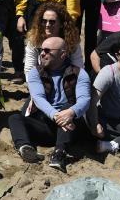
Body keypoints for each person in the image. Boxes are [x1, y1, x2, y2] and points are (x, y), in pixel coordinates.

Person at [9, 36, 91, 171]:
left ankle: (60, 153)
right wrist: (56, 116)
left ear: (63, 54)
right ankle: (25, 148)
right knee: (14, 118)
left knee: (68, 107)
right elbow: (38, 98)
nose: (42, 53)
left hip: (70, 127)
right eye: (41, 50)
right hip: (48, 124)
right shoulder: (36, 72)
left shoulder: (80, 73)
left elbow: (84, 100)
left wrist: (71, 113)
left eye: (47, 51)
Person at [23, 1, 83, 74]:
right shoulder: (34, 39)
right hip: (41, 80)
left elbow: (78, 68)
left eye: (52, 22)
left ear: (61, 24)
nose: (47, 25)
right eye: (44, 21)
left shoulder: (71, 40)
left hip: (66, 80)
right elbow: (29, 69)